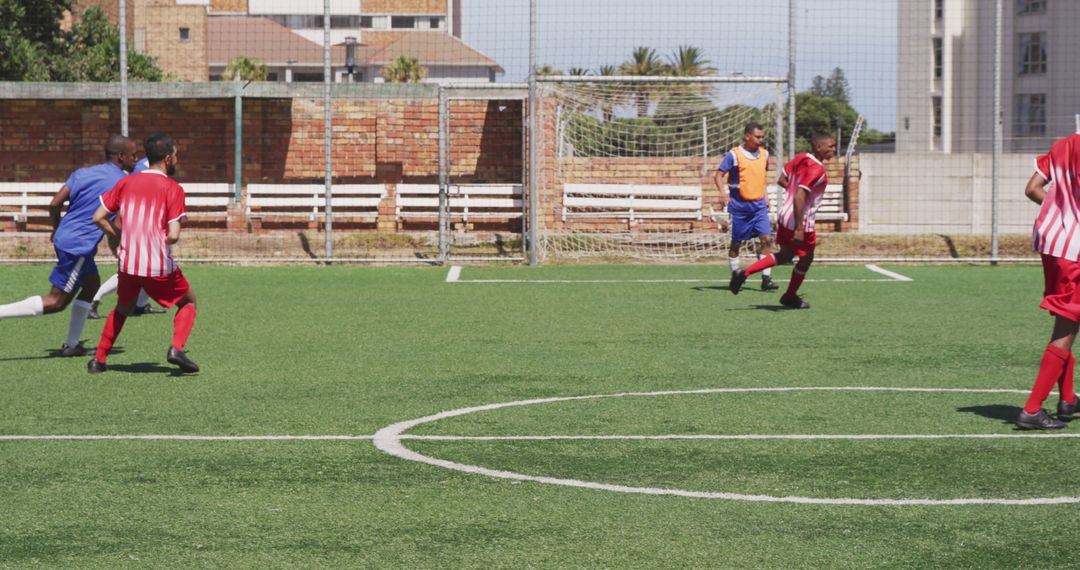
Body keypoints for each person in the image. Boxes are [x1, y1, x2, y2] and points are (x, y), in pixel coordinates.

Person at [0, 135, 137, 356]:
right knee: (56, 301)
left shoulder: (83, 173)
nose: (136, 159)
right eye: (133, 155)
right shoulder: (123, 183)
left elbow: (54, 204)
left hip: (65, 238)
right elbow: (117, 220)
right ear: (121, 157)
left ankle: (72, 346)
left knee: (92, 284)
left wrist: (56, 228)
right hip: (79, 246)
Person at [88, 133, 200, 374]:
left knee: (122, 308)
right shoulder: (173, 188)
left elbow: (97, 217)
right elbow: (173, 235)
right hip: (158, 264)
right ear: (169, 158)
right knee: (188, 302)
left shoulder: (127, 182)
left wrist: (120, 235)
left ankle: (98, 360)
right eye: (176, 156)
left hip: (128, 263)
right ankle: (176, 349)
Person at [1015, 132, 1080, 430]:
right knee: (1067, 325)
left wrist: (1061, 212)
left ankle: (1067, 398)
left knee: (1066, 319)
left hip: (1052, 242)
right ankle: (1032, 409)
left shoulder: (1062, 146)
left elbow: (1032, 189)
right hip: (1075, 249)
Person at [729, 133, 837, 309]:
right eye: (831, 146)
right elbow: (800, 196)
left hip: (785, 216)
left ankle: (744, 273)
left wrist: (794, 194)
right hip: (800, 221)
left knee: (786, 255)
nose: (834, 149)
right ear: (819, 147)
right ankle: (790, 296)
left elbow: (781, 179)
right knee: (806, 259)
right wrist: (800, 227)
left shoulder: (801, 158)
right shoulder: (817, 169)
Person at [87, 155, 165, 319]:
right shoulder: (135, 190)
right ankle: (93, 300)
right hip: (124, 235)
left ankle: (140, 305)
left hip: (133, 234)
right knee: (131, 272)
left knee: (150, 268)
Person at [716, 123, 778, 291]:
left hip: (759, 206)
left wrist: (765, 196)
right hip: (740, 207)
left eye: (762, 137)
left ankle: (766, 279)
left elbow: (762, 177)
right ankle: (735, 277)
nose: (761, 140)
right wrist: (723, 192)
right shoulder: (734, 155)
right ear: (747, 136)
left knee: (766, 240)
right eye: (758, 137)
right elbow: (719, 175)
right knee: (736, 243)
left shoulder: (764, 155)